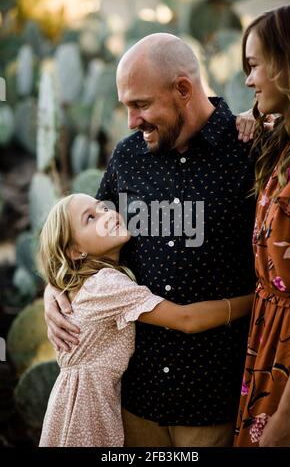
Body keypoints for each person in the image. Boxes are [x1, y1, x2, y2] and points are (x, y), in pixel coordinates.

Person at [44, 33, 257, 447]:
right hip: (134, 399)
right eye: (126, 106)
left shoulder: (248, 150)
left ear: (183, 89)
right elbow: (78, 238)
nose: (131, 121)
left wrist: (266, 115)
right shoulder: (127, 156)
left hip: (212, 397)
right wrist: (55, 288)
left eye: (141, 105)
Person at [38, 193, 252, 447]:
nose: (107, 216)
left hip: (72, 402)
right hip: (88, 409)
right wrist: (257, 300)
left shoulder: (85, 284)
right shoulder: (106, 285)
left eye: (104, 208)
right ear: (76, 251)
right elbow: (186, 319)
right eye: (91, 218)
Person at [234, 4, 290, 447]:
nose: (248, 80)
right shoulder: (283, 145)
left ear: (289, 62)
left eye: (254, 65)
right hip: (268, 341)